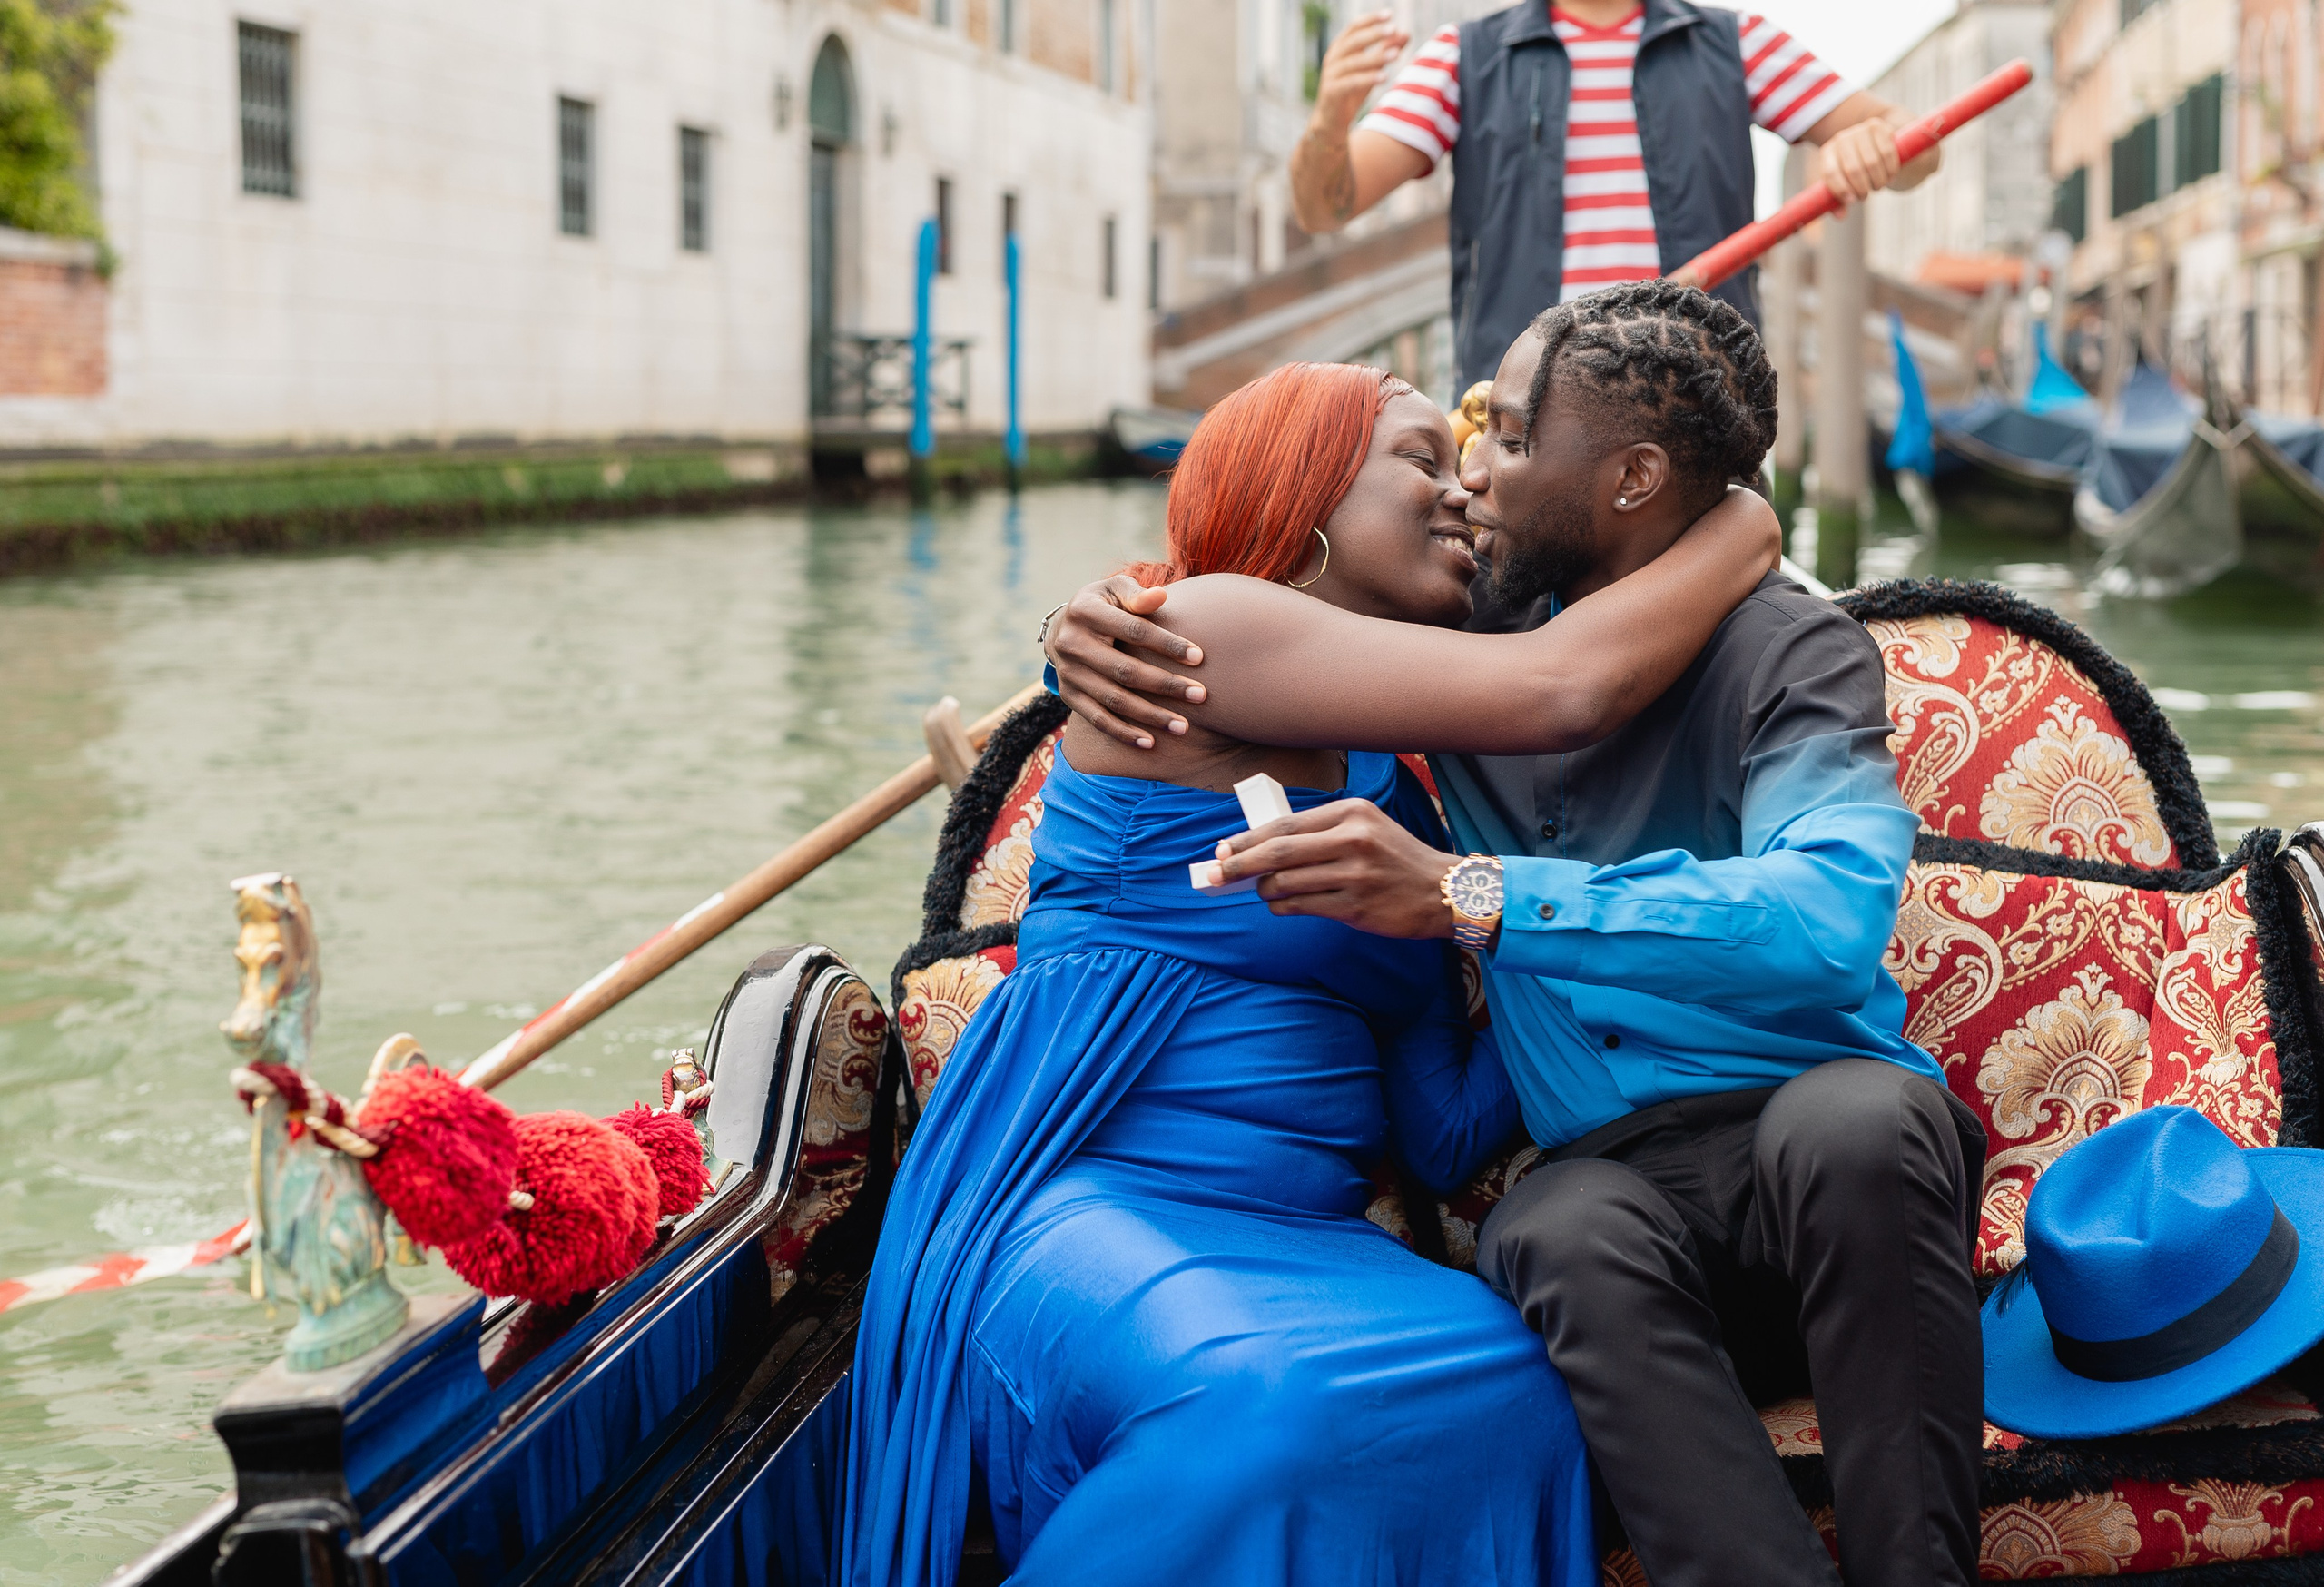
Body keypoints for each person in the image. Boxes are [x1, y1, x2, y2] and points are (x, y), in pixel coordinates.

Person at [1046, 281, 1985, 1587]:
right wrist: (1079, 621)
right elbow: (1311, 633)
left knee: (1856, 1121)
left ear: (1630, 478)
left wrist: (1473, 900)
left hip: (1820, 1158)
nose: (1471, 480)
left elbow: (1826, 925)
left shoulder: (1794, 655)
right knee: (1551, 1227)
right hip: (1613, 1183)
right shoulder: (1455, 640)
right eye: (1449, 445)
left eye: (1504, 438)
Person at [840, 359, 1781, 1587]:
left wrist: (1580, 934)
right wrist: (1748, 521)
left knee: (1523, 1386)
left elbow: (1441, 1132)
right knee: (1263, 1402)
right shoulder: (1196, 631)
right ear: (1307, 488)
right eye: (1420, 459)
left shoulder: (1400, 808)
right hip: (1093, 1198)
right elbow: (1567, 685)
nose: (1462, 492)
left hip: (1307, 1238)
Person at [1288, 0, 1937, 388]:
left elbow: (1919, 147)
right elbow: (1324, 209)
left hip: (1699, 401)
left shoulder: (1736, 43)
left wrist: (1876, 141)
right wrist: (1328, 124)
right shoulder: (1464, 57)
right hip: (1523, 413)